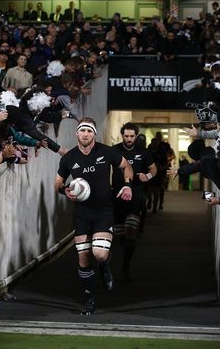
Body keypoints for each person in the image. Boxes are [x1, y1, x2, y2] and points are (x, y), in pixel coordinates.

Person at [54, 117, 133, 314]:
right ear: (77, 133)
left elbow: (126, 166)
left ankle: (104, 266)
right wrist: (65, 191)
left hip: (103, 212)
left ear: (94, 134)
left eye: (89, 131)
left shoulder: (106, 152)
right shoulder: (69, 158)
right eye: (82, 131)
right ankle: (89, 300)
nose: (86, 134)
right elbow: (57, 183)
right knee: (83, 256)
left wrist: (128, 185)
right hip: (81, 213)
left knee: (99, 253)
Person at [112, 122, 157, 281]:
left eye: (132, 136)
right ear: (122, 135)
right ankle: (126, 243)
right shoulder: (115, 150)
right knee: (120, 234)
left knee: (131, 230)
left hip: (135, 194)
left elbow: (153, 169)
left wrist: (148, 176)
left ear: (136, 136)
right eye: (126, 136)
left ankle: (126, 266)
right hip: (117, 194)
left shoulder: (143, 152)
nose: (129, 139)